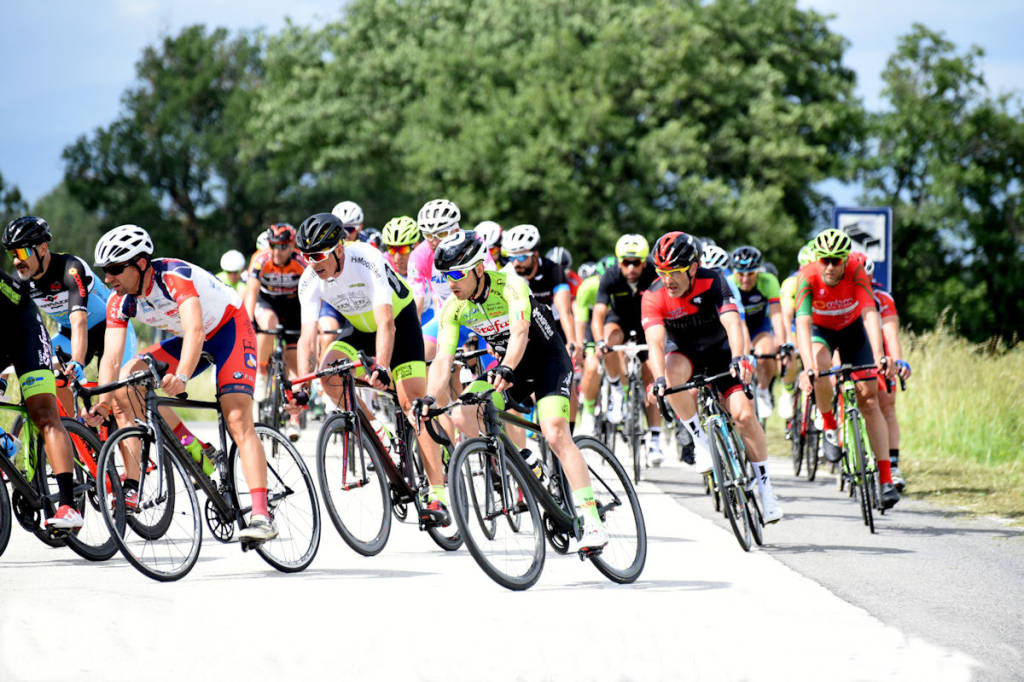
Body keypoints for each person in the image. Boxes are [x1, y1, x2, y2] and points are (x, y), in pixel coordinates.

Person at [86, 224, 277, 542]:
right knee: (129, 379)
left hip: (228, 330)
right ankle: (189, 454)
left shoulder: (174, 276)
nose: (108, 278)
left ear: (141, 264)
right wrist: (103, 403)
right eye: (105, 271)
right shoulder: (119, 301)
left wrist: (183, 375)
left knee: (238, 419)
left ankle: (261, 514)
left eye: (116, 269)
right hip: (189, 340)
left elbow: (196, 331)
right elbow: (110, 359)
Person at [420, 230, 608, 550]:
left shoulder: (510, 285)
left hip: (547, 360)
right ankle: (525, 461)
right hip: (511, 367)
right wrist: (427, 397)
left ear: (479, 269)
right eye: (443, 276)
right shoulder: (455, 307)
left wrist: (506, 367)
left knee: (554, 432)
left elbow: (520, 331)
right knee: (464, 414)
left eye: (455, 274)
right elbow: (442, 359)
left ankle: (591, 521)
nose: (449, 282)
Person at [291, 213, 449, 525]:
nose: (314, 263)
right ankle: (378, 429)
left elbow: (387, 322)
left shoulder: (366, 258)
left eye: (320, 255)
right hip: (359, 327)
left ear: (339, 249)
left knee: (413, 406)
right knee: (328, 375)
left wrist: (382, 366)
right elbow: (307, 336)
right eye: (307, 256)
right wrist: (302, 385)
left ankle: (438, 496)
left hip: (398, 325)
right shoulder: (309, 278)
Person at [643, 231, 783, 522]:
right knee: (670, 377)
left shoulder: (714, 281)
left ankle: (766, 490)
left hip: (720, 352)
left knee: (744, 416)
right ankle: (700, 440)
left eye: (675, 272)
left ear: (693, 267)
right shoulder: (654, 295)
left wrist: (739, 357)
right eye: (662, 272)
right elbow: (655, 343)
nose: (668, 279)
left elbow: (733, 323)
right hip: (684, 354)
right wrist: (657, 379)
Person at [794, 229, 899, 509]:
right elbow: (802, 325)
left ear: (845, 259)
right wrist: (806, 368)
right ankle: (829, 426)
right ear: (818, 259)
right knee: (820, 365)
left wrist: (879, 355)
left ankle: (886, 480)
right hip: (821, 331)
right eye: (825, 260)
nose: (830, 266)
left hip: (853, 331)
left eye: (836, 260)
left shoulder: (855, 270)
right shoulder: (807, 276)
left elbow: (868, 312)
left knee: (869, 401)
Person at [3, 215, 138, 414]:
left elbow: (79, 321)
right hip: (68, 334)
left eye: (22, 252)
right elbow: (9, 330)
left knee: (118, 400)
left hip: (112, 330)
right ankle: (79, 428)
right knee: (51, 377)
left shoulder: (70, 268)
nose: (16, 261)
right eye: (11, 254)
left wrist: (77, 360)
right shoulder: (21, 281)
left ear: (42, 249)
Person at [591, 234, 664, 464]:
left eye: (637, 262)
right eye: (626, 262)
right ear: (618, 261)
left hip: (647, 321)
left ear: (645, 261)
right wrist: (599, 342)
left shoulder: (654, 274)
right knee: (609, 338)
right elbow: (598, 314)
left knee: (651, 374)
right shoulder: (611, 275)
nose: (631, 267)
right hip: (620, 319)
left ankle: (654, 440)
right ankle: (615, 388)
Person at [243, 223, 307, 439]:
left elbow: (312, 294)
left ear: (292, 246)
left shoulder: (301, 261)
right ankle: (261, 373)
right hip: (267, 302)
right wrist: (249, 320)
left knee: (295, 362)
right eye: (273, 246)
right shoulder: (261, 259)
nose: (276, 252)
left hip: (292, 306)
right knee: (267, 323)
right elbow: (251, 291)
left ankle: (294, 420)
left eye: (282, 247)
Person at [502, 224, 580, 365]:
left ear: (535, 254)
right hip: (521, 324)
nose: (515, 263)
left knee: (563, 366)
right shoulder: (505, 274)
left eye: (521, 257)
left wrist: (572, 341)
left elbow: (564, 311)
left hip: (552, 323)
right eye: (511, 257)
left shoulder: (553, 270)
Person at [866, 259, 911, 491]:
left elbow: (891, 334)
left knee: (887, 405)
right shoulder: (843, 294)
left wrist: (897, 360)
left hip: (880, 353)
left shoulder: (882, 298)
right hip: (850, 349)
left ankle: (892, 466)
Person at [728, 246, 785, 419]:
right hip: (738, 325)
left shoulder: (769, 281)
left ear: (758, 271)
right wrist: (744, 353)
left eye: (750, 274)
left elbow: (777, 315)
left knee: (767, 352)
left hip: (760, 326)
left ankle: (763, 390)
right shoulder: (729, 283)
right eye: (741, 274)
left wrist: (782, 345)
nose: (745, 279)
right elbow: (739, 322)